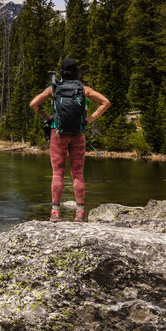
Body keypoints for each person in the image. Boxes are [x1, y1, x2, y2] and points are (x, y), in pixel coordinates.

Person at [29, 58, 110, 223]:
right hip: (78, 133)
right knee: (78, 174)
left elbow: (33, 104)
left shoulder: (53, 89)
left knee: (57, 174)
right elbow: (106, 102)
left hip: (57, 134)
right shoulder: (84, 89)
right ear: (76, 72)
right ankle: (80, 214)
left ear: (61, 72)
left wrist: (47, 118)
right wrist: (89, 119)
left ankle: (55, 213)